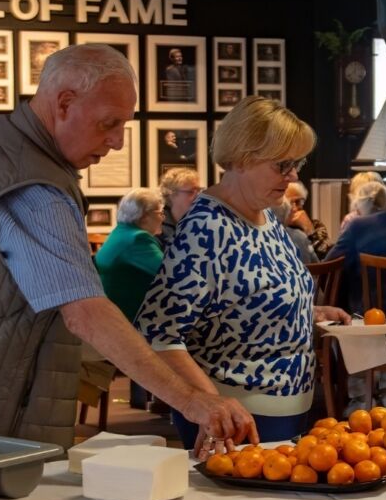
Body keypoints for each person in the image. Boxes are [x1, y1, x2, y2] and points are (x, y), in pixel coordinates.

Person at [0, 44, 258, 453]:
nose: (117, 142)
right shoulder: (34, 187)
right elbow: (85, 313)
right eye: (108, 124)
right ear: (65, 102)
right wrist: (194, 402)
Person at [136, 97, 350, 451]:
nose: (294, 175)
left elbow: (246, 301)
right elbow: (159, 335)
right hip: (236, 423)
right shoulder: (207, 228)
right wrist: (210, 403)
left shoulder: (265, 216)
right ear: (241, 159)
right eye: (283, 165)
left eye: (297, 163)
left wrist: (309, 313)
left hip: (285, 414)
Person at [326, 181, 386, 414]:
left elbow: (330, 263)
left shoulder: (356, 225)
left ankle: (359, 398)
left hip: (371, 321)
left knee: (342, 321)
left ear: (359, 204)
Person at [95, 189, 167, 410]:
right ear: (144, 216)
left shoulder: (121, 233)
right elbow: (170, 276)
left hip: (114, 318)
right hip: (129, 322)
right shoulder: (138, 240)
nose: (163, 217)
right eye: (160, 212)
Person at [284, 181, 332, 258]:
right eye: (289, 203)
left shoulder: (316, 225)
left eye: (298, 202)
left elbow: (326, 258)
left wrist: (310, 231)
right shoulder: (275, 228)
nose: (295, 208)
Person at [158, 167, 202, 249]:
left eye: (199, 190)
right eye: (191, 192)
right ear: (171, 194)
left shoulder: (202, 222)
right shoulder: (157, 225)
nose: (198, 196)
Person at [271, 195, 317, 264]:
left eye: (298, 202)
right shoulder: (299, 236)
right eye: (291, 203)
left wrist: (310, 231)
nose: (294, 209)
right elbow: (317, 265)